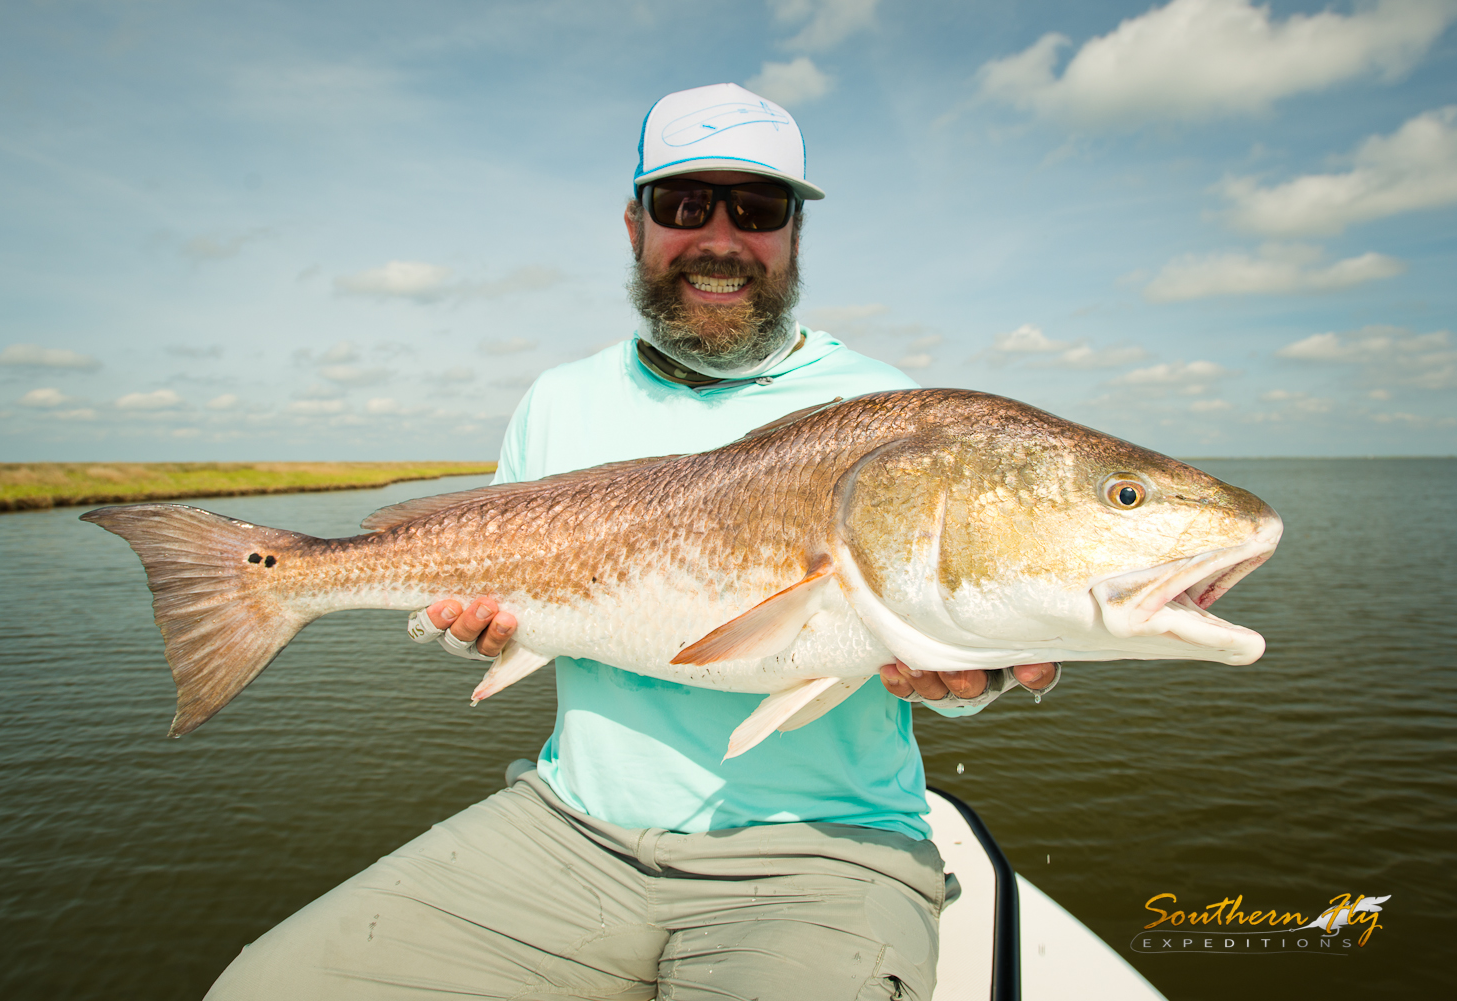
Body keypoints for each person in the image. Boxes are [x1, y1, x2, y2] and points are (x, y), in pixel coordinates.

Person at [206, 83, 1056, 1001]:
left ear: (796, 234)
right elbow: (502, 600)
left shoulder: (884, 407)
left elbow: (940, 631)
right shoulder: (557, 400)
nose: (722, 236)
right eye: (685, 203)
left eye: (759, 206)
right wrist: (464, 630)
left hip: (824, 850)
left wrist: (981, 678)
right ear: (634, 224)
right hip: (568, 830)